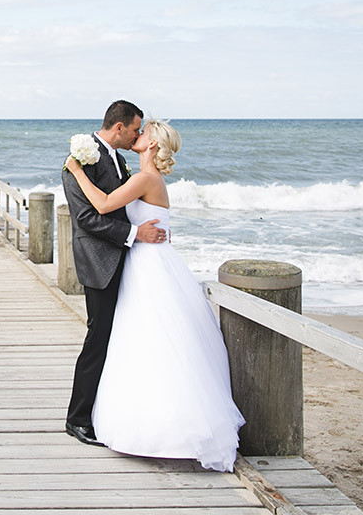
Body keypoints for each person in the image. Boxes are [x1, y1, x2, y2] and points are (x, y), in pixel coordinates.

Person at [64, 119, 244, 472]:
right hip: (147, 261)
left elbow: (101, 205)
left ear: (150, 145)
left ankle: (152, 425)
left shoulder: (144, 178)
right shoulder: (147, 178)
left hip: (147, 264)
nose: (138, 134)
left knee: (149, 338)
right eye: (137, 128)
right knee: (149, 339)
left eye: (143, 132)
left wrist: (76, 171)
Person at [62, 100, 167, 447]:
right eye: (136, 129)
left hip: (128, 262)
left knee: (120, 340)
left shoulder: (117, 159)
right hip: (100, 263)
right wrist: (136, 234)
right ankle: (77, 419)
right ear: (119, 127)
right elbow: (87, 218)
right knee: (98, 341)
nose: (138, 134)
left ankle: (104, 412)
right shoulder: (80, 161)